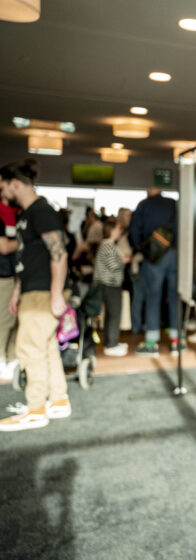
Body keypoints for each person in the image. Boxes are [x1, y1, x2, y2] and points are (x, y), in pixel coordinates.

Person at [0, 160, 70, 431]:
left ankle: (36, 409)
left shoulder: (41, 212)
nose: (2, 193)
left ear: (15, 184)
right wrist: (18, 289)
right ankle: (59, 400)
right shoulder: (27, 215)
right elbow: (27, 256)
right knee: (47, 347)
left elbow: (59, 253)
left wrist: (55, 294)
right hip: (32, 288)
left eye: (3, 187)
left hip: (43, 292)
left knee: (28, 349)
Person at [129, 187, 180, 356]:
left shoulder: (144, 205)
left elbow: (134, 231)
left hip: (154, 257)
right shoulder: (173, 204)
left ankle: (151, 343)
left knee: (153, 296)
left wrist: (140, 248)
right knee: (174, 296)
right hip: (174, 254)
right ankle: (176, 340)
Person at [95, 218, 131, 356]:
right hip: (110, 284)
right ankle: (111, 345)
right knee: (114, 314)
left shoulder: (106, 245)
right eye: (117, 229)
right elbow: (113, 265)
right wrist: (124, 260)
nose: (119, 231)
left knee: (111, 314)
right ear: (111, 231)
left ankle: (111, 342)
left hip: (108, 284)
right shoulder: (108, 245)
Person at [0, 196, 19, 382]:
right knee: (5, 321)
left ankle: (11, 359)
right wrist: (27, 241)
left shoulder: (15, 213)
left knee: (13, 320)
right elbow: (3, 247)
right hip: (3, 276)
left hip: (13, 275)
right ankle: (2, 361)